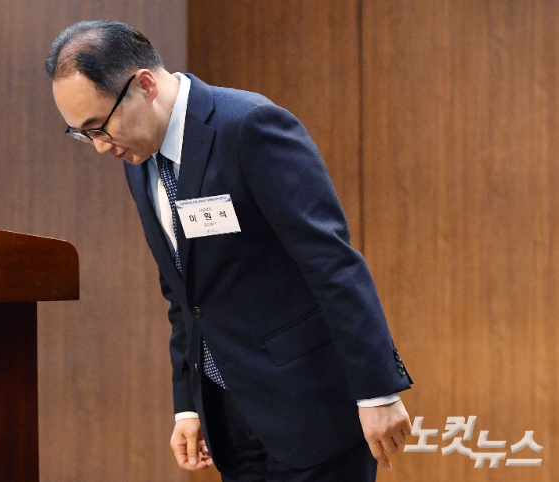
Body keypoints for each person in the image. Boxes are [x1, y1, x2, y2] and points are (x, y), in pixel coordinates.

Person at [46, 20, 413, 482]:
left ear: (145, 85)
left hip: (311, 408)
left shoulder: (248, 126)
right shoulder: (137, 158)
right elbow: (182, 290)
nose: (100, 147)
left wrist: (377, 391)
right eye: (82, 134)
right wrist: (188, 405)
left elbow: (331, 262)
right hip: (231, 418)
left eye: (99, 126)